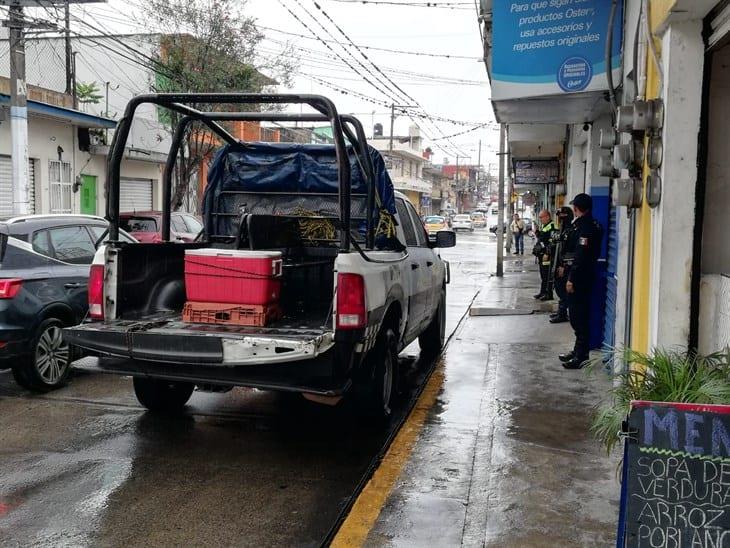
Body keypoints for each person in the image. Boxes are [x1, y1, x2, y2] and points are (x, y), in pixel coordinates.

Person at [559, 193, 603, 370]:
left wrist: (571, 279)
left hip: (580, 277)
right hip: (580, 274)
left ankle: (582, 356)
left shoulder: (586, 228)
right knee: (576, 316)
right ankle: (578, 350)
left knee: (579, 317)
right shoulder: (585, 225)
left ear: (577, 208)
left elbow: (581, 257)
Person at [550, 206, 574, 324]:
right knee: (559, 289)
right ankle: (561, 311)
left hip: (564, 266)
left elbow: (568, 251)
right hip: (558, 263)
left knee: (563, 290)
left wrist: (563, 266)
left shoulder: (570, 230)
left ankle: (563, 313)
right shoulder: (562, 229)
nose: (559, 219)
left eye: (560, 216)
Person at [533, 209, 556, 301]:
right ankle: (542, 292)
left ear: (547, 216)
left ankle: (548, 294)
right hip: (541, 254)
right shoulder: (545, 226)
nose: (540, 219)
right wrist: (538, 233)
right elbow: (543, 239)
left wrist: (547, 252)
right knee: (543, 275)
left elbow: (552, 242)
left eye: (541, 217)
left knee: (547, 275)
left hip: (547, 255)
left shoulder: (552, 226)